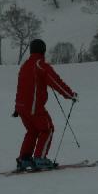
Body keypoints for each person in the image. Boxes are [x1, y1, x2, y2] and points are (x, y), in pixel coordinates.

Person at [12, 39, 78, 171]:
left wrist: (17, 107)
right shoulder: (40, 65)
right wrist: (70, 95)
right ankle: (40, 159)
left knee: (32, 130)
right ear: (43, 50)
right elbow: (56, 81)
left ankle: (24, 159)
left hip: (21, 107)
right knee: (47, 129)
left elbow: (21, 87)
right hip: (33, 107)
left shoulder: (25, 66)